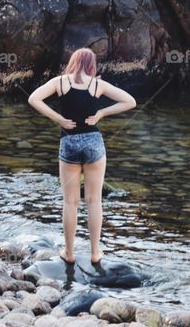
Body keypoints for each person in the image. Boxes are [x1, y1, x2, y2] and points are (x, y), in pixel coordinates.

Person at [28, 48, 137, 264]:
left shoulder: (60, 82)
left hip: (68, 142)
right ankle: (95, 253)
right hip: (93, 142)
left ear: (73, 62)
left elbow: (33, 98)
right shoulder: (97, 84)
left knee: (70, 202)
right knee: (94, 201)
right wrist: (102, 113)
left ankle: (69, 253)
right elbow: (130, 101)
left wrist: (58, 118)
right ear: (91, 64)